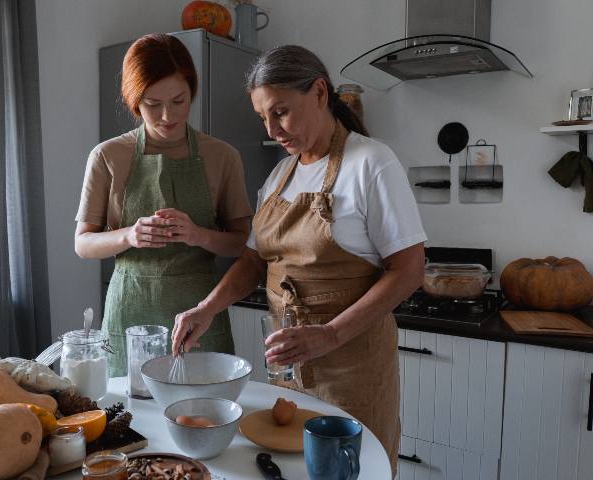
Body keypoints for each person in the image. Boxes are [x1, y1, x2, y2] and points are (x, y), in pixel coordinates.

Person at [171, 45, 427, 473]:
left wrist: (327, 335)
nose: (273, 130)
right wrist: (207, 307)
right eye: (263, 118)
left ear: (321, 93)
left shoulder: (372, 163)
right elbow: (254, 262)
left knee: (349, 470)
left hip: (352, 366)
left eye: (282, 112)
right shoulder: (279, 175)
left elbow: (409, 270)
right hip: (288, 364)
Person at [75, 33, 253, 376]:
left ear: (192, 93)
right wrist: (129, 235)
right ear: (134, 100)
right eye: (152, 104)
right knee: (131, 421)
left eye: (179, 100)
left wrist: (198, 234)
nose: (167, 115)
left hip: (200, 311)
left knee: (203, 415)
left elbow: (242, 243)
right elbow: (83, 243)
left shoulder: (222, 156)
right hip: (129, 313)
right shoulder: (108, 156)